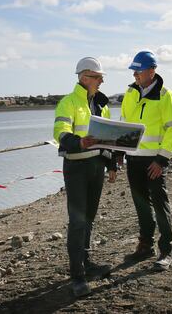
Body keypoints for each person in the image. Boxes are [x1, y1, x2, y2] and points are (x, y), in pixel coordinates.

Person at [53, 57, 118, 298]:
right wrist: (78, 142)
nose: (101, 81)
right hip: (76, 168)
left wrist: (112, 164)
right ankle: (77, 275)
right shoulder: (68, 103)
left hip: (96, 167)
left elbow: (109, 136)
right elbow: (60, 132)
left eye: (102, 77)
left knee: (89, 218)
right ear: (83, 77)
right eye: (98, 77)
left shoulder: (101, 104)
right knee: (78, 221)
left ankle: (86, 262)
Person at [120, 50, 172, 270]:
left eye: (139, 70)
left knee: (159, 204)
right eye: (134, 71)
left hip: (154, 161)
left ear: (152, 71)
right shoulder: (130, 93)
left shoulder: (166, 96)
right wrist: (120, 151)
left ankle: (167, 251)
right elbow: (124, 124)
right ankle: (145, 246)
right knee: (141, 205)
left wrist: (161, 160)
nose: (135, 74)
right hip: (133, 159)